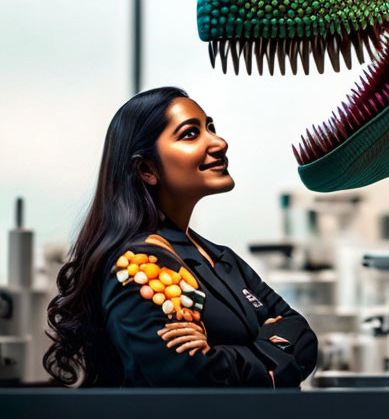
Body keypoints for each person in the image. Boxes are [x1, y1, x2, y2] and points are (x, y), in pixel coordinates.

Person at [43, 86, 317, 387]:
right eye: (190, 134)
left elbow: (303, 335)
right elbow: (192, 377)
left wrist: (222, 351)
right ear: (147, 169)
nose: (219, 142)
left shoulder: (220, 257)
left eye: (210, 127)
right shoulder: (140, 264)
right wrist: (270, 349)